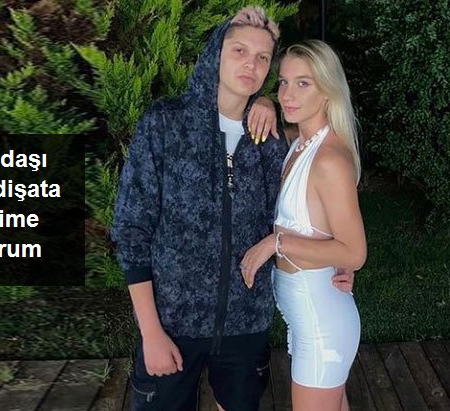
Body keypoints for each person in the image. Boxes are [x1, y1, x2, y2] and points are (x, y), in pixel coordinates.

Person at [112, 7, 353, 410]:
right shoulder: (165, 124)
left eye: (262, 57)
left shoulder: (271, 139)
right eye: (239, 50)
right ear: (215, 55)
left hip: (246, 326)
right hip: (172, 324)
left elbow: (306, 205)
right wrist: (150, 332)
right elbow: (131, 229)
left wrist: (336, 258)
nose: (250, 64)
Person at [239, 39, 366, 411]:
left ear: (327, 90)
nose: (287, 94)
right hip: (308, 320)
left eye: (303, 83)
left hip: (322, 325)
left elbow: (355, 252)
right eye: (283, 82)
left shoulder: (330, 159)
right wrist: (263, 102)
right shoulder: (300, 143)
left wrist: (275, 243)